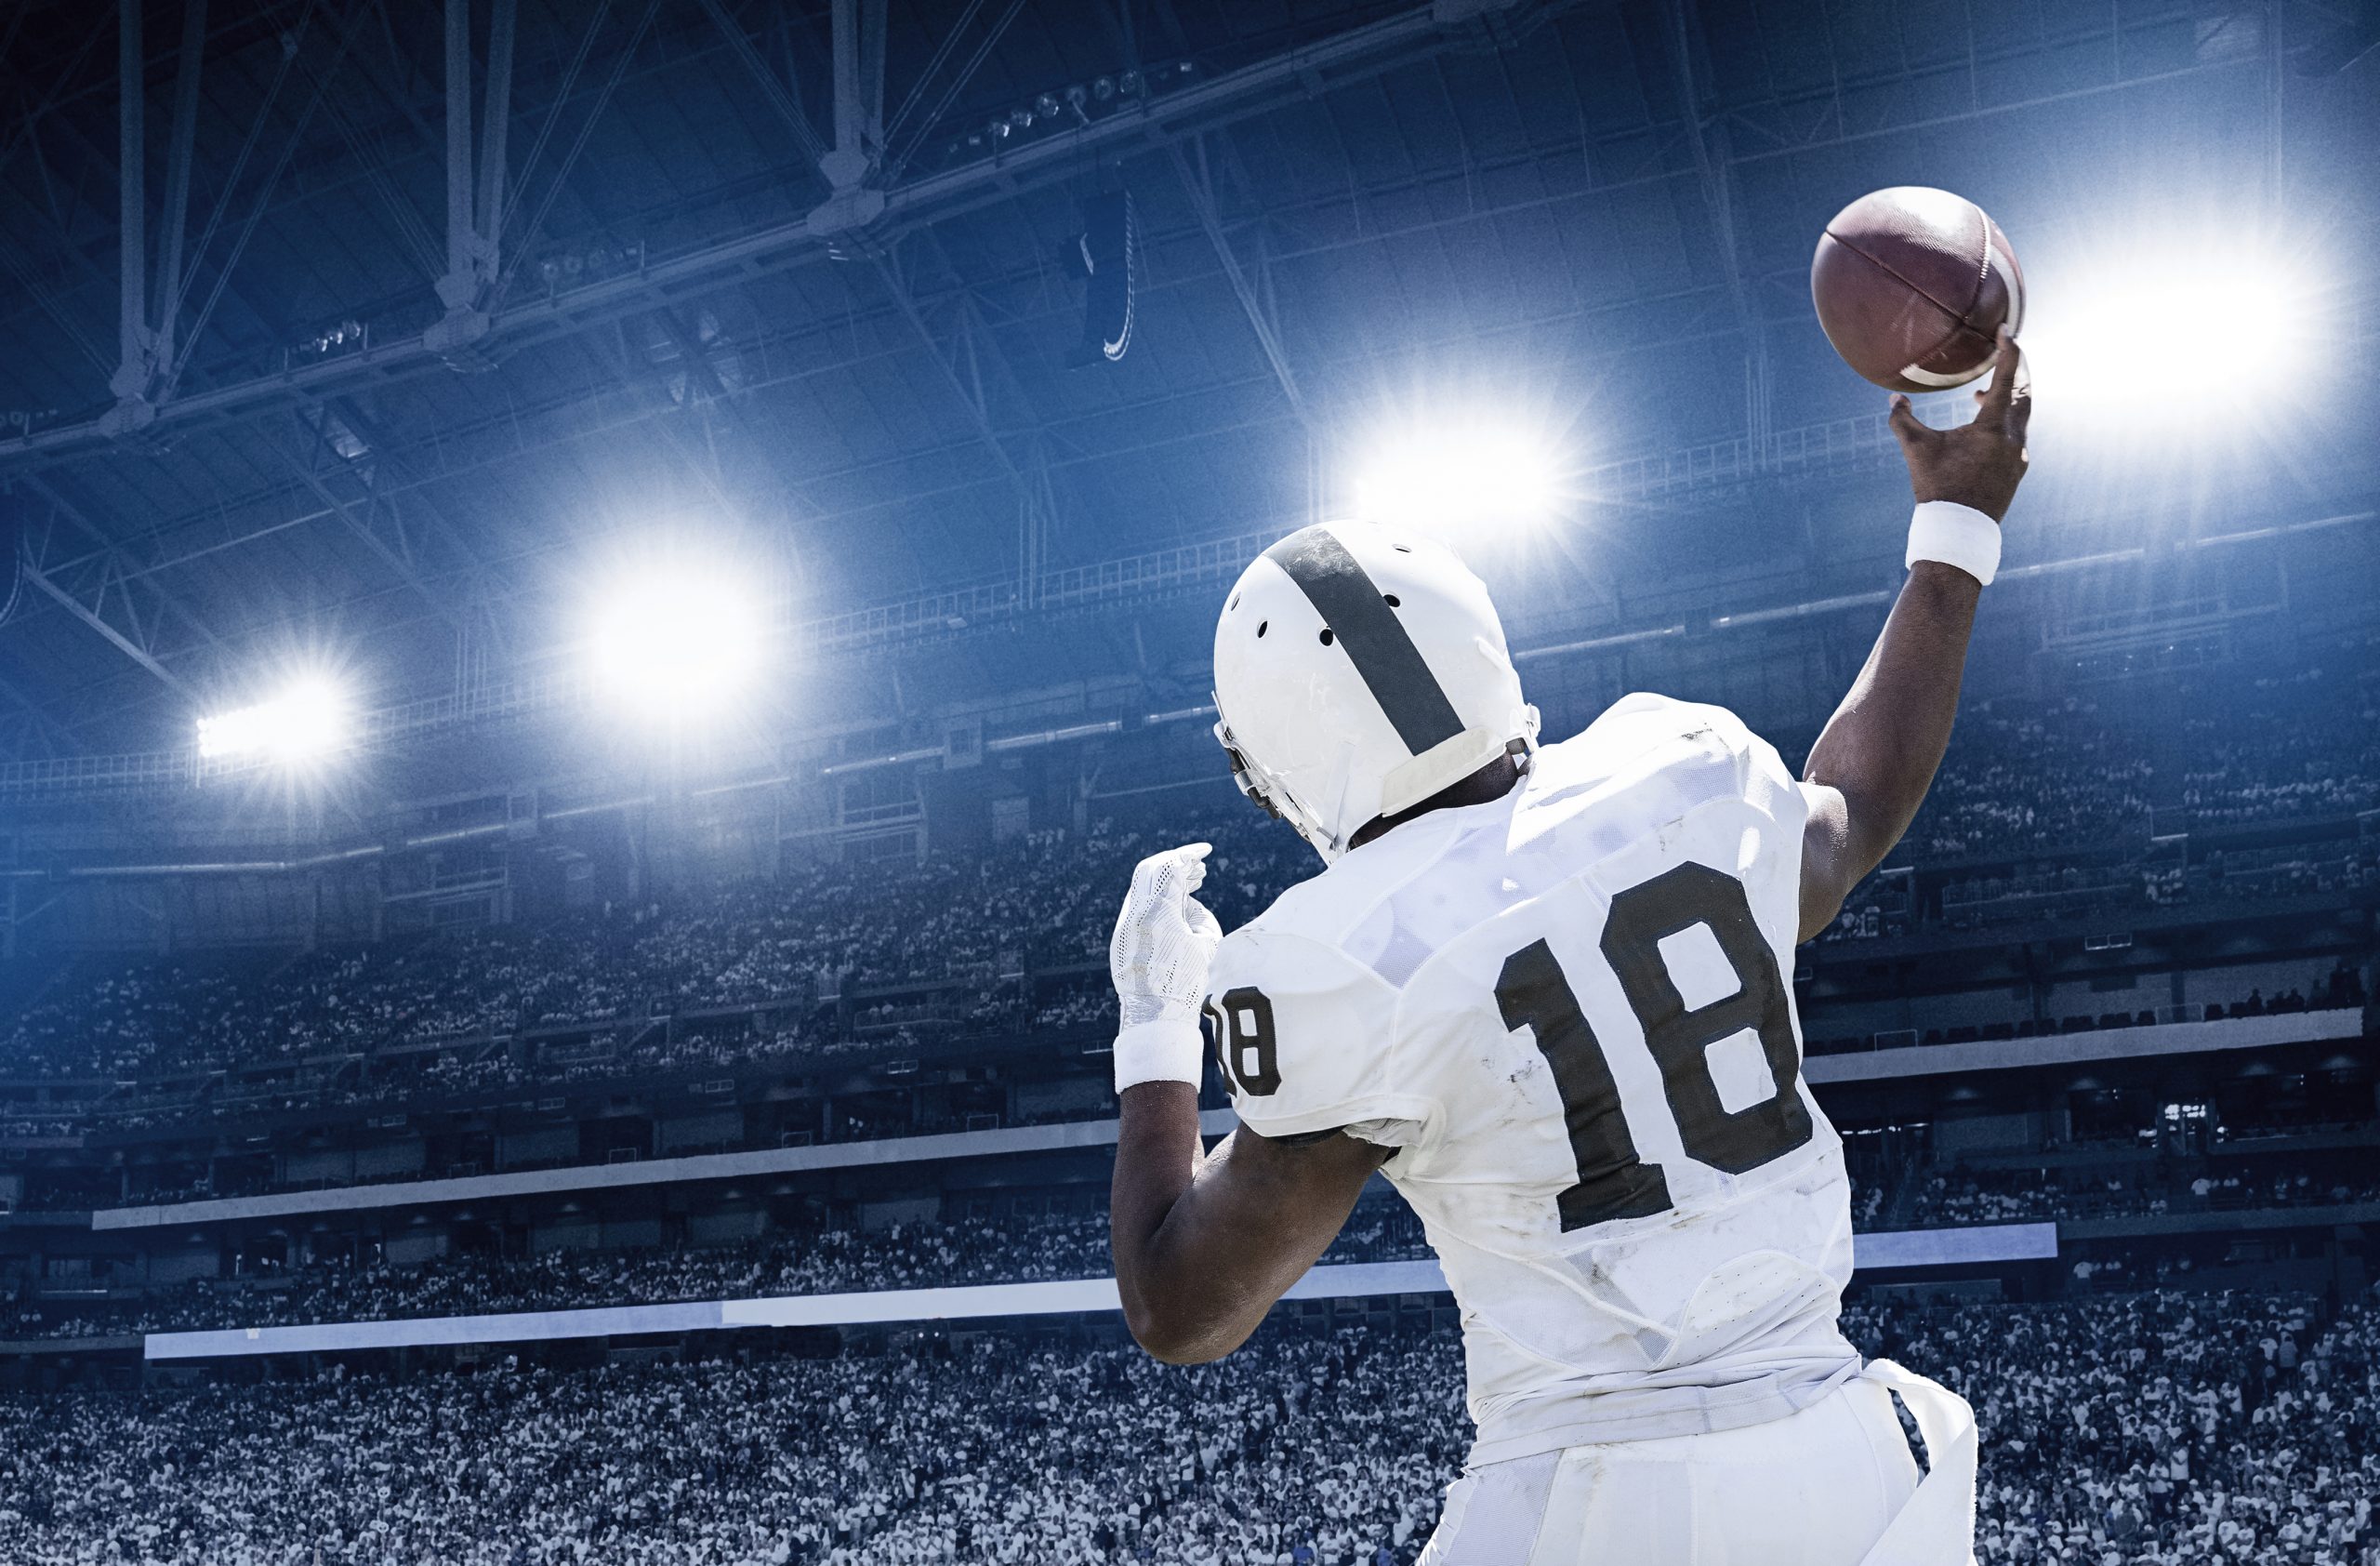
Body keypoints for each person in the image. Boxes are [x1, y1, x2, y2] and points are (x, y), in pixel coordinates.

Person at [1104, 329, 2033, 1565]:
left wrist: (1156, 1025)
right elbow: (1852, 806)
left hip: (1592, 1500)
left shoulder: (1340, 955)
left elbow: (1184, 1308)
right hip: (1848, 1464)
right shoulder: (1680, 769)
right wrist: (1958, 523)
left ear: (1286, 752)